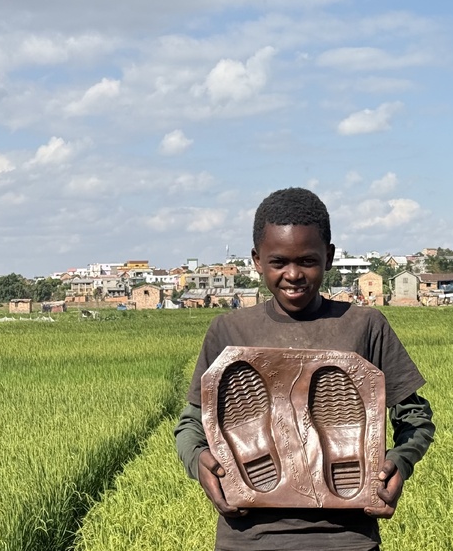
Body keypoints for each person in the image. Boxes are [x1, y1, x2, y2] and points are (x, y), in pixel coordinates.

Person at [174, 187, 435, 551]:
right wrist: (199, 461)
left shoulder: (365, 326)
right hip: (247, 536)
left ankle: (309, 443)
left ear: (328, 257)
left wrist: (399, 463)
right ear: (256, 260)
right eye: (279, 262)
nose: (293, 275)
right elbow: (192, 423)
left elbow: (415, 417)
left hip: (346, 537)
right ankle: (271, 434)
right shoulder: (229, 331)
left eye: (307, 261)